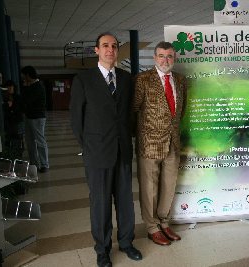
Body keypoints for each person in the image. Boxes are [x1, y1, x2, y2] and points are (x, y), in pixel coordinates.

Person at [70, 32, 142, 267]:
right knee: (100, 203)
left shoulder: (125, 78)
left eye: (114, 46)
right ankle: (102, 249)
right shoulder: (84, 79)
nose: (110, 49)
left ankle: (127, 242)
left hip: (122, 150)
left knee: (125, 202)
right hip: (97, 152)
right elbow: (76, 119)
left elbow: (130, 115)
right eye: (105, 45)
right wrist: (89, 146)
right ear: (96, 50)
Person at [133, 41, 187, 246]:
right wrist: (141, 136)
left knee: (169, 185)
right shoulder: (143, 79)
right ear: (154, 58)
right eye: (161, 56)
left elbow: (180, 112)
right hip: (149, 143)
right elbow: (134, 109)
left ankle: (164, 222)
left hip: (173, 142)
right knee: (149, 188)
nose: (166, 60)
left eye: (170, 56)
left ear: (174, 58)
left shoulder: (181, 81)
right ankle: (152, 226)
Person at [20, 66, 49, 173]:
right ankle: (34, 163)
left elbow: (27, 100)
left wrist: (25, 87)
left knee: (40, 141)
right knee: (30, 141)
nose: (22, 77)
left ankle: (44, 164)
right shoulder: (31, 85)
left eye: (23, 75)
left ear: (28, 75)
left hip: (37, 118)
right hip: (29, 117)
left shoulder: (38, 86)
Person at [2, 80, 24, 159]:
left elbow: (18, 109)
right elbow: (4, 110)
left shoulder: (17, 97)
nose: (9, 88)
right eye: (8, 87)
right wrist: (8, 107)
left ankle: (18, 156)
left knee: (18, 139)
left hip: (17, 122)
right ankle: (10, 156)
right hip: (8, 122)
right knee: (8, 139)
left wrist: (10, 108)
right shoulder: (3, 98)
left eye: (11, 86)